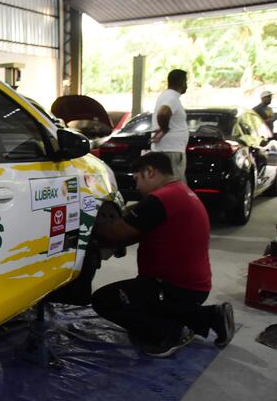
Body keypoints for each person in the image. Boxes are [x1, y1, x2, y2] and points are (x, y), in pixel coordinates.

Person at [92, 152, 235, 357]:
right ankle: (211, 316)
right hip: (191, 286)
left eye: (137, 179)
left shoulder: (160, 200)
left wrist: (84, 220)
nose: (137, 187)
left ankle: (170, 333)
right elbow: (134, 233)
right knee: (142, 297)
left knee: (105, 300)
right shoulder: (180, 193)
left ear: (149, 172)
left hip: (173, 287)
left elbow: (115, 233)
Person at [151, 69, 189, 182]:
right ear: (181, 82)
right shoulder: (172, 97)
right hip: (171, 151)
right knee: (175, 186)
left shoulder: (166, 96)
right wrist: (164, 129)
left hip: (167, 150)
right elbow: (163, 113)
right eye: (186, 81)